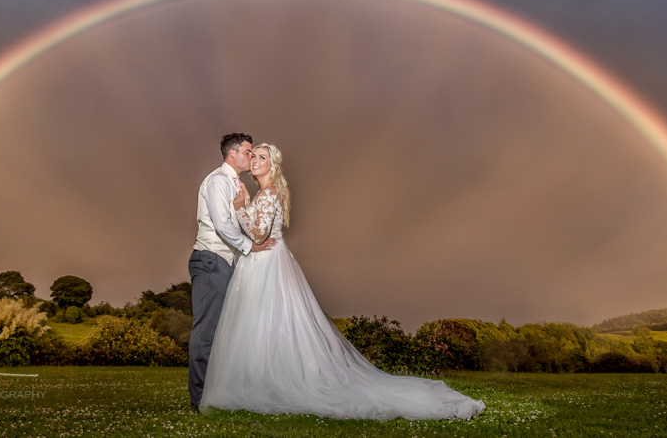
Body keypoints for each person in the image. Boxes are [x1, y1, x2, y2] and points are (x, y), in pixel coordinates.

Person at [200, 143, 485, 421]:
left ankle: (262, 382)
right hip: (265, 262)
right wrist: (245, 208)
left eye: (262, 157)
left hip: (264, 262)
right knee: (266, 323)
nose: (255, 161)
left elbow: (259, 235)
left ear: (272, 166)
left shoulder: (266, 194)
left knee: (264, 321)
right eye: (254, 156)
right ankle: (260, 379)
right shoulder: (262, 193)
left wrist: (239, 209)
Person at [188, 133, 275, 412]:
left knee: (224, 332)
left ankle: (218, 394)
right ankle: (200, 400)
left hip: (225, 262)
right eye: (248, 152)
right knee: (207, 332)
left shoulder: (235, 184)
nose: (251, 158)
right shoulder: (217, 181)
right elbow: (223, 226)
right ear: (232, 154)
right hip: (212, 260)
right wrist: (251, 247)